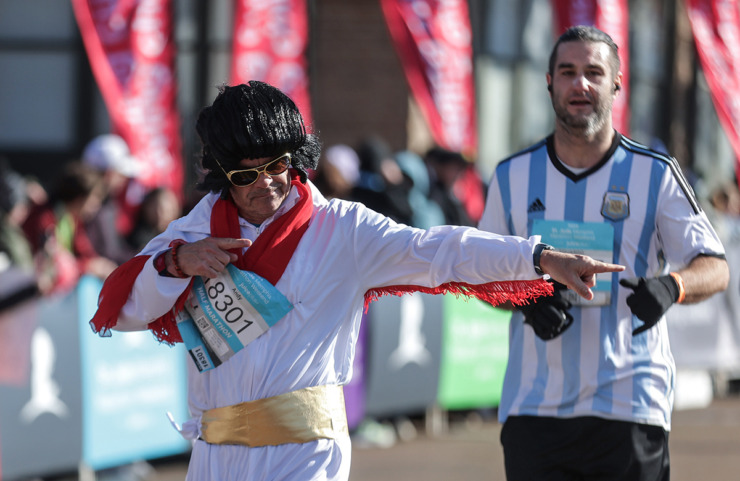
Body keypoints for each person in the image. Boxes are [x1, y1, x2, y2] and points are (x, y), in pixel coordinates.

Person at [89, 81, 623, 481]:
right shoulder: (194, 230)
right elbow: (127, 306)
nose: (265, 183)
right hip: (214, 453)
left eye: (276, 164)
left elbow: (439, 249)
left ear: (296, 157)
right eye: (245, 174)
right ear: (222, 176)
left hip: (306, 451)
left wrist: (538, 255)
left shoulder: (344, 228)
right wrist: (177, 264)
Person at [478, 26, 729, 481]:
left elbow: (715, 266)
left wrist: (672, 287)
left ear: (616, 81)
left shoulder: (656, 174)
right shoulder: (512, 176)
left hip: (629, 402)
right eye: (568, 72)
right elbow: (479, 274)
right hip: (535, 408)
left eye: (594, 72)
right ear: (549, 81)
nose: (581, 84)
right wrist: (522, 298)